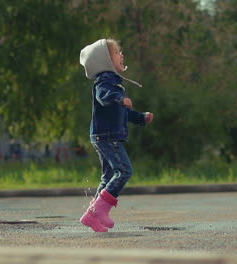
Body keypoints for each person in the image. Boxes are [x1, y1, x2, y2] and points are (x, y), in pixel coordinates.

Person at [79, 39, 154, 232]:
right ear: (105, 60)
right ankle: (99, 211)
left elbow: (122, 112)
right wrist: (119, 97)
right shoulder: (105, 81)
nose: (122, 55)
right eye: (117, 52)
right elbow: (103, 96)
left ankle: (93, 216)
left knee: (109, 175)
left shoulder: (115, 83)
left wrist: (140, 118)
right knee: (124, 171)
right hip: (107, 135)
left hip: (103, 135)